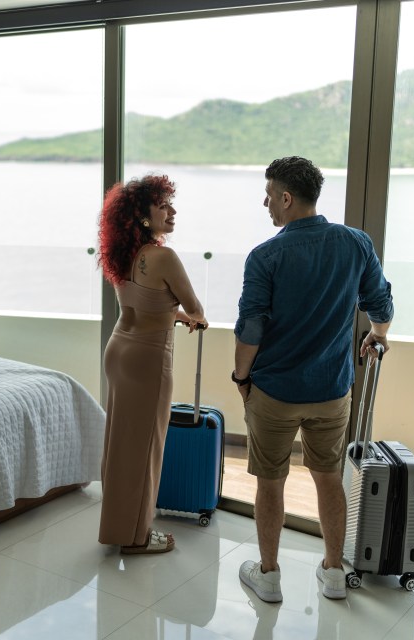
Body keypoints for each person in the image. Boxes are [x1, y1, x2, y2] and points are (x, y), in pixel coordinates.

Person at [233, 156, 394, 602]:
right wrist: (378, 337)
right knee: (328, 477)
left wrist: (240, 378)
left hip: (275, 392)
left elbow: (251, 327)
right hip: (331, 390)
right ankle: (333, 573)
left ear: (286, 198)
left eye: (269, 196)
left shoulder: (266, 256)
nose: (266, 205)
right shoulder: (355, 243)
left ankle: (268, 576)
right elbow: (380, 302)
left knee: (270, 483)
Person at [96, 173, 207, 554]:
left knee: (120, 444)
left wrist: (172, 314)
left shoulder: (123, 254)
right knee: (147, 449)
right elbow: (194, 307)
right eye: (164, 206)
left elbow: (143, 303)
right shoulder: (163, 256)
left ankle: (118, 527)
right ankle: (138, 537)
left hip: (119, 348)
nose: (172, 211)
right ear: (143, 215)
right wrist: (190, 315)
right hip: (148, 357)